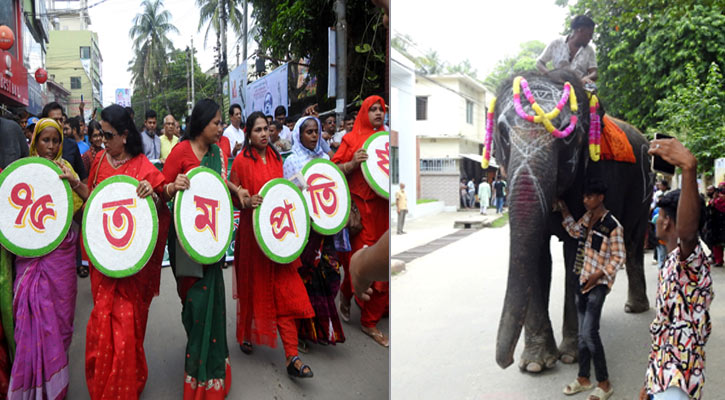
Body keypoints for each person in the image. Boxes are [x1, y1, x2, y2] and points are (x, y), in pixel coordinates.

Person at [84, 105, 170, 399]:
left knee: (127, 328)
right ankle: (103, 381)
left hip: (132, 266)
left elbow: (161, 204)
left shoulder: (143, 165)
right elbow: (93, 200)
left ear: (123, 135)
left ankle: (125, 384)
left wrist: (153, 193)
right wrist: (74, 184)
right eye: (99, 134)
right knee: (100, 323)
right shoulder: (97, 160)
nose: (101, 140)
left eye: (107, 135)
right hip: (103, 263)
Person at [163, 99, 243, 397]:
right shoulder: (181, 152)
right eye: (217, 123)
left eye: (222, 123)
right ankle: (196, 372)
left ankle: (210, 377)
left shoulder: (219, 153)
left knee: (212, 306)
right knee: (194, 306)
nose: (221, 128)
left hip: (212, 242)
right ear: (201, 124)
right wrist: (173, 186)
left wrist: (238, 192)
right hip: (185, 244)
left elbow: (221, 188)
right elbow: (162, 188)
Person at [229, 111, 315, 378]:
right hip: (253, 238)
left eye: (266, 129)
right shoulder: (242, 161)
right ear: (248, 134)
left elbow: (280, 192)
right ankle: (245, 333)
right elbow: (234, 197)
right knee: (252, 288)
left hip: (279, 238)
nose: (264, 134)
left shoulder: (278, 157)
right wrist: (246, 199)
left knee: (284, 293)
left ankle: (292, 356)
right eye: (258, 130)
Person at [9, 118, 88, 399]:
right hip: (31, 260)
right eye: (46, 140)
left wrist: (75, 183)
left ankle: (56, 384)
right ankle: (31, 387)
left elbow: (84, 207)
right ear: (34, 141)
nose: (51, 147)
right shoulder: (21, 172)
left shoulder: (65, 169)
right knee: (29, 323)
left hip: (62, 256)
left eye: (56, 141)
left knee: (62, 321)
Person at [639, 138, 711, 400]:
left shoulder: (691, 260)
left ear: (668, 222)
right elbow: (664, 329)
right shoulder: (671, 262)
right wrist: (649, 383)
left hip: (677, 385)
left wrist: (689, 168)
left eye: (658, 215)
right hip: (663, 378)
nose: (653, 221)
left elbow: (688, 232)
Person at [331, 95, 390, 347]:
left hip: (384, 212)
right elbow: (332, 170)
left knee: (384, 268)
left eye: (382, 109)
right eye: (373, 109)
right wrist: (353, 163)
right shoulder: (351, 139)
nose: (378, 113)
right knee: (360, 263)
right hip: (360, 214)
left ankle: (369, 321)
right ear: (365, 112)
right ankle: (346, 294)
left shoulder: (388, 140)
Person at [558, 179, 624, 400]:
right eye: (584, 197)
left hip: (597, 285)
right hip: (581, 280)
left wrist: (600, 274)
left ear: (600, 198)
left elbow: (618, 257)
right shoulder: (587, 219)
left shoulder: (613, 225)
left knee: (589, 333)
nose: (585, 201)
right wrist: (564, 210)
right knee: (581, 334)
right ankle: (583, 378)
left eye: (590, 197)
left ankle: (604, 383)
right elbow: (574, 231)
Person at [283, 115, 346, 349]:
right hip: (305, 232)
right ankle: (303, 333)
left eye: (315, 132)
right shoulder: (292, 162)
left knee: (331, 276)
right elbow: (291, 197)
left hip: (326, 231)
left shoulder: (324, 160)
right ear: (299, 135)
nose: (313, 136)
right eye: (308, 132)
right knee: (305, 282)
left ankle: (322, 328)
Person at [536, 15, 598, 85]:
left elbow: (594, 73)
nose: (591, 38)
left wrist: (586, 78)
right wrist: (550, 74)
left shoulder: (589, 51)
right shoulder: (556, 43)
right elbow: (539, 62)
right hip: (557, 85)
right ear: (580, 30)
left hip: (579, 87)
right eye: (589, 34)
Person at [42, 102, 88, 181]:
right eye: (54, 120)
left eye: (61, 120)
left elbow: (83, 178)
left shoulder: (71, 145)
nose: (59, 124)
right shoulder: (37, 146)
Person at [80, 120, 104, 185]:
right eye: (95, 136)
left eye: (100, 135)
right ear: (90, 138)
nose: (98, 138)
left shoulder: (106, 153)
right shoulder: (87, 156)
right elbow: (84, 180)